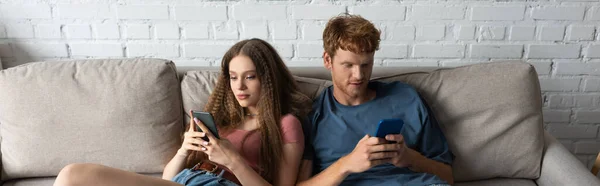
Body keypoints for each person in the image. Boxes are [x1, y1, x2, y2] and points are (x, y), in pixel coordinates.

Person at [53, 38, 312, 186]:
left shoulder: (286, 124)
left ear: (267, 79)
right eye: (233, 78)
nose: (239, 87)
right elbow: (169, 178)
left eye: (250, 77)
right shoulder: (224, 118)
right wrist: (184, 150)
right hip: (188, 180)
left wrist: (232, 160)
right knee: (71, 175)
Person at [295, 14, 455, 186]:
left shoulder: (406, 98)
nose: (359, 75)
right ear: (328, 60)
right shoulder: (314, 115)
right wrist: (346, 164)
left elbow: (448, 176)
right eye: (348, 65)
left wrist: (410, 158)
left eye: (365, 65)